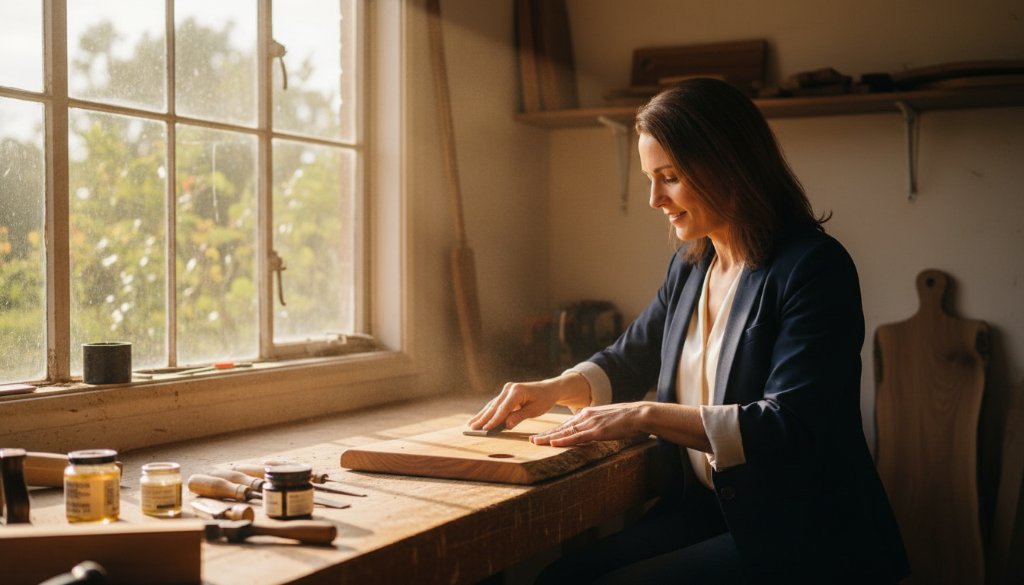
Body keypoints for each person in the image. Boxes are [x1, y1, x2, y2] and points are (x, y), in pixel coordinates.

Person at [468, 78, 910, 584]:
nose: (655, 198)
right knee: (561, 578)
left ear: (729, 165)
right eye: (649, 178)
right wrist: (552, 388)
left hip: (803, 532)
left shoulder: (814, 268)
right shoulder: (692, 263)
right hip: (711, 511)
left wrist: (645, 415)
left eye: (670, 177)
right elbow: (630, 358)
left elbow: (790, 424)